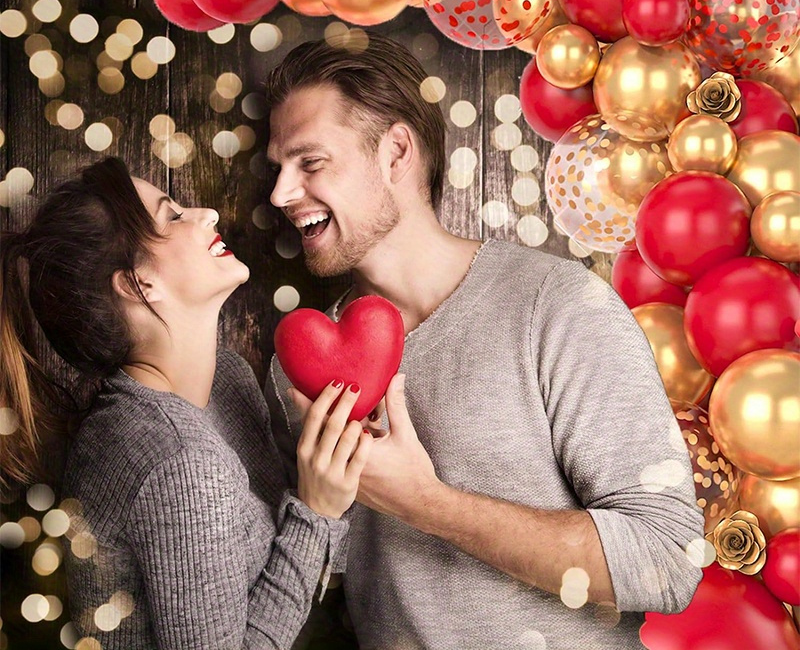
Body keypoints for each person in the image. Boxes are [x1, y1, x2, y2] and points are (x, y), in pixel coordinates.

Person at [265, 34, 706, 650]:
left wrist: (425, 504)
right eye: (278, 167)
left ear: (395, 153)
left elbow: (668, 561)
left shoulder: (554, 305)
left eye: (310, 164)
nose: (280, 194)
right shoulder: (296, 372)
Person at [0, 157, 375, 650]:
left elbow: (280, 568)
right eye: (172, 216)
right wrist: (316, 514)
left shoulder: (227, 382)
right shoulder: (179, 462)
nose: (207, 215)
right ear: (138, 284)